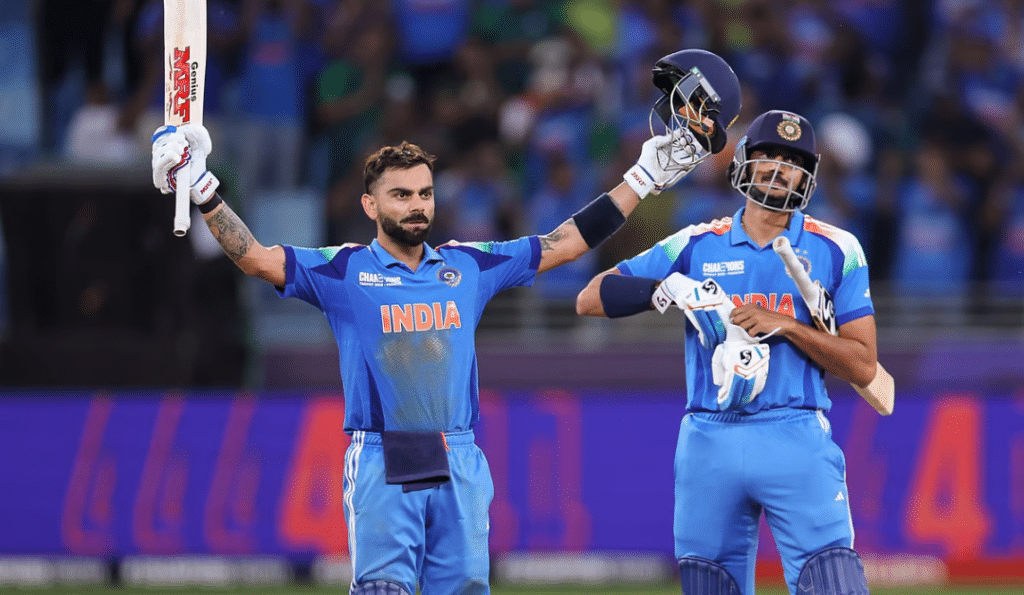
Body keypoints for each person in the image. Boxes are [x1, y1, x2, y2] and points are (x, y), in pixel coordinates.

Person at [149, 48, 741, 595]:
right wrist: (203, 186)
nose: (416, 205)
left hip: (459, 454)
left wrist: (640, 178)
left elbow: (562, 245)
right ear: (371, 205)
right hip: (383, 454)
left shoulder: (467, 266)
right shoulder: (345, 271)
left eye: (424, 193)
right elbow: (255, 258)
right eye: (401, 195)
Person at [577, 109, 876, 595]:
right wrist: (667, 290)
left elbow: (864, 364)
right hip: (709, 438)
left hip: (795, 433)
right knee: (710, 585)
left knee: (834, 583)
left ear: (810, 175)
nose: (780, 168)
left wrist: (788, 326)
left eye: (794, 160)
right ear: (744, 162)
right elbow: (590, 297)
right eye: (769, 155)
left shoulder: (838, 248)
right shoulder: (695, 243)